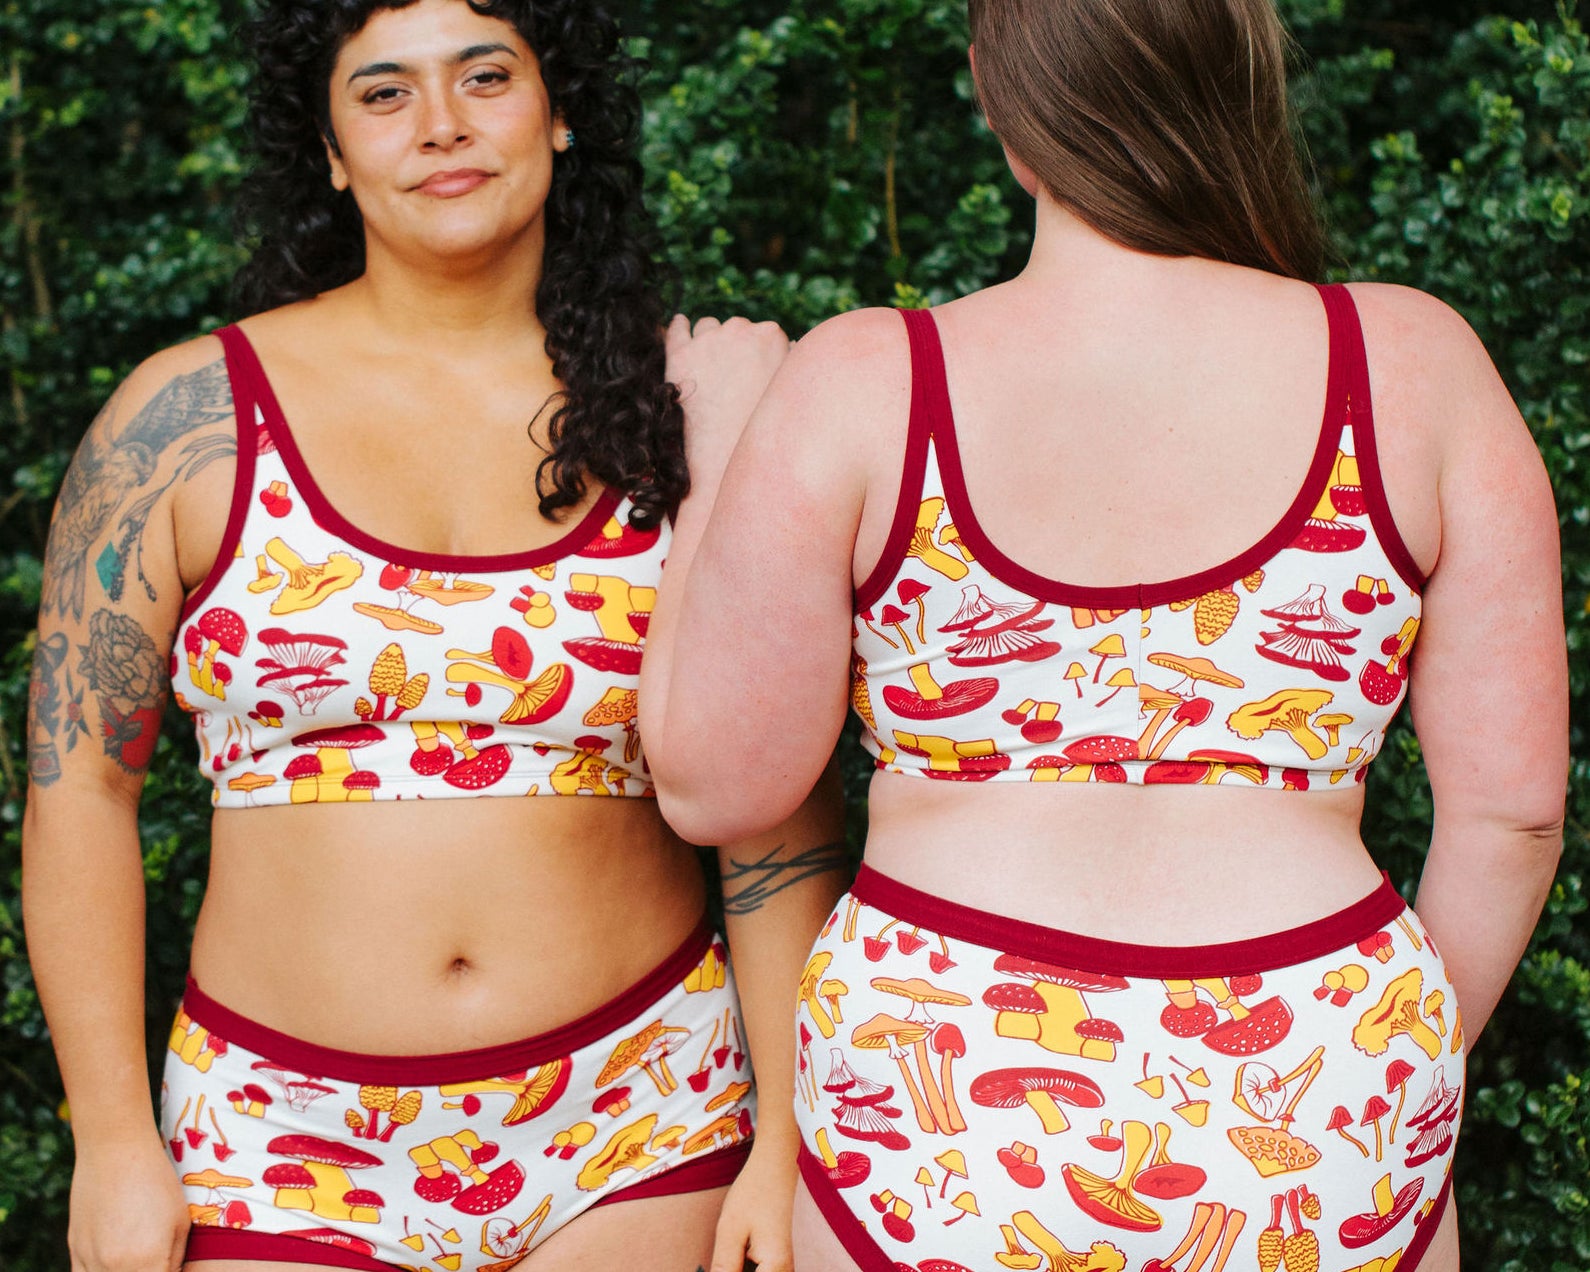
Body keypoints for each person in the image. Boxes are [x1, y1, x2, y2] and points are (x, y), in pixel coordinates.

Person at [640, 1, 1568, 1269]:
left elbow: (716, 781)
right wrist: (1379, 1058)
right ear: (1244, 87)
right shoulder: (1412, 363)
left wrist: (711, 463)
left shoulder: (868, 383)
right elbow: (1512, 817)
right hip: (1320, 1049)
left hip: (949, 1071)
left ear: (1000, 102)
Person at [22, 2, 842, 1269]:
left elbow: (769, 806)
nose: (442, 126)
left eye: (485, 77)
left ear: (560, 111)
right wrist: (116, 1144)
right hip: (277, 1142)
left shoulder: (684, 414)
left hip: (640, 1125)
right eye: (385, 93)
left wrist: (786, 1137)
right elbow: (79, 785)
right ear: (334, 150)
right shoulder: (186, 419)